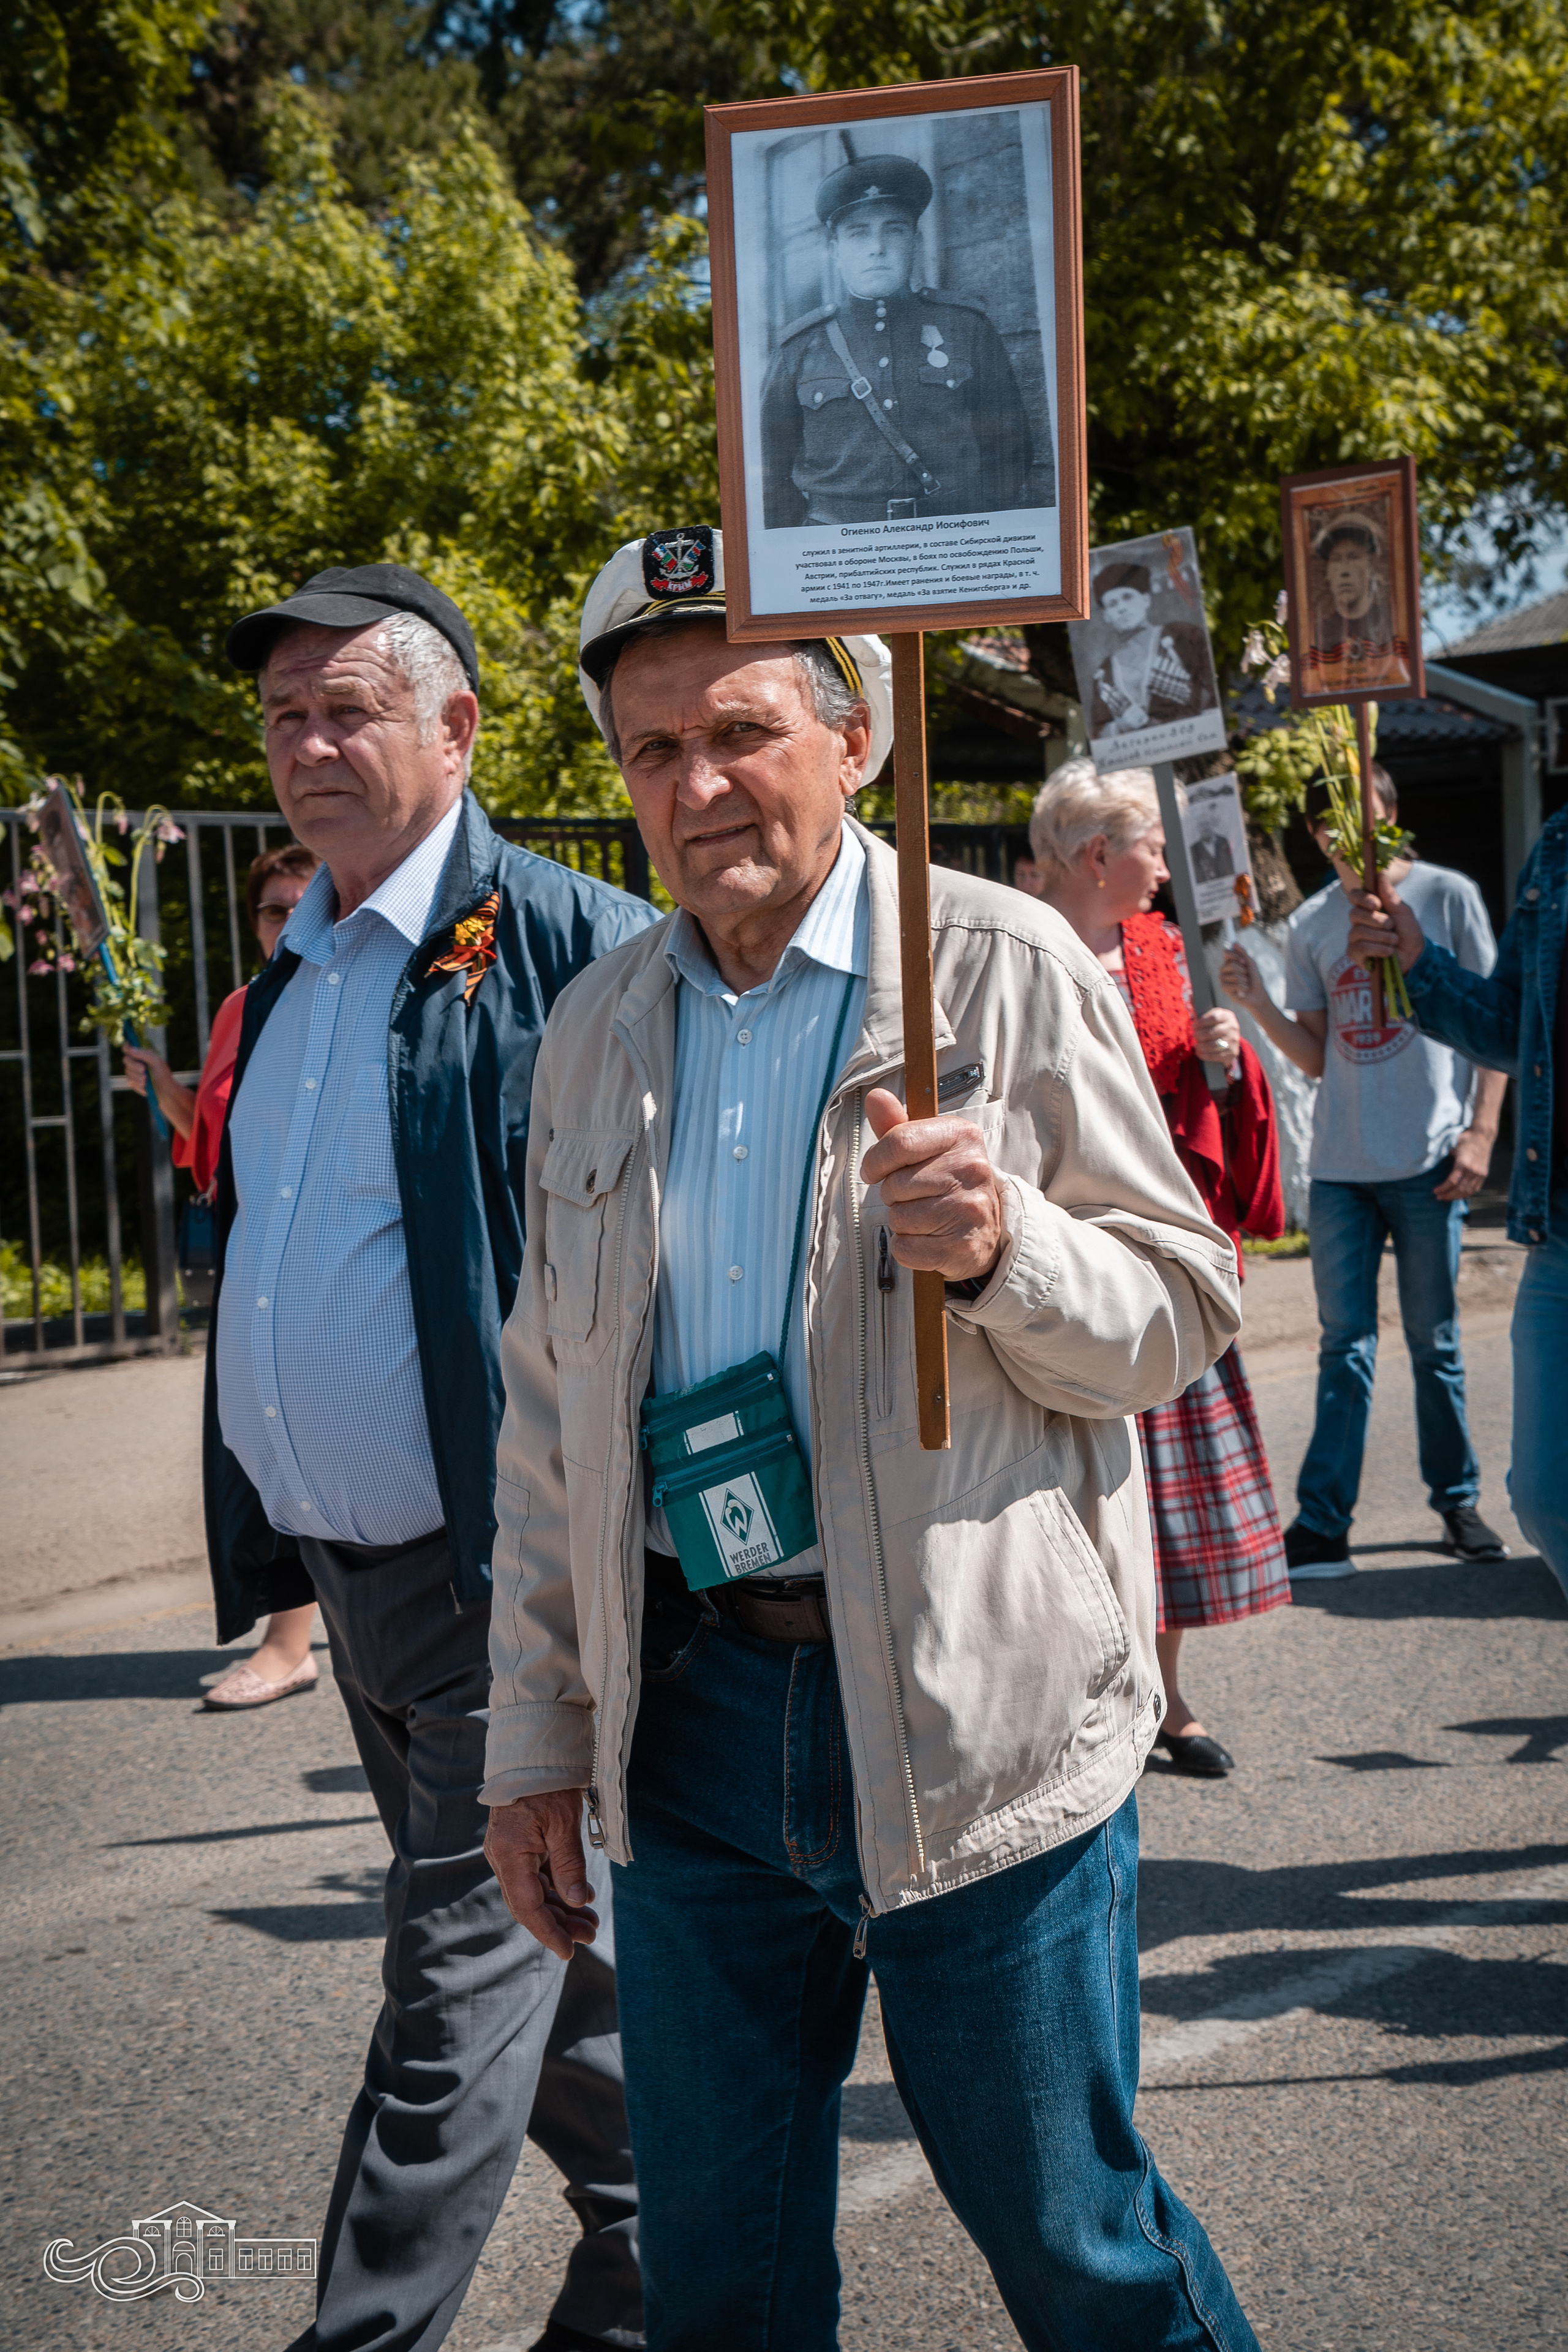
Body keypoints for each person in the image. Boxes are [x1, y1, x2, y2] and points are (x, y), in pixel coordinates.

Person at [483, 524, 1259, 2351]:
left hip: (970, 1718)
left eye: (741, 729)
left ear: (857, 738)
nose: (696, 784)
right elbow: (546, 1414)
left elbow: (1179, 1308)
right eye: (651, 747)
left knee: (1083, 2255)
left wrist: (1004, 1247)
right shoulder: (596, 1026)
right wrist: (538, 1723)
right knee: (726, 2277)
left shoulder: (990, 965)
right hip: (689, 1726)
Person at [209, 562, 657, 2352]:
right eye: (283, 715)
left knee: (447, 1997)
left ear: (456, 726)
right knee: (557, 1964)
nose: (307, 743)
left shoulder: (561, 941)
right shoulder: (301, 955)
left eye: (346, 708)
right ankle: (660, 2245)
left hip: (505, 1585)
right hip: (353, 1581)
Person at [1032, 760, 1291, 1778]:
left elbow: (1219, 1110)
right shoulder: (1014, 942)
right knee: (1058, 1498)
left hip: (1153, 1259)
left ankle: (1165, 1701)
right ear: (1100, 853)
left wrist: (1228, 1053)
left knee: (1166, 1499)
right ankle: (1076, 1698)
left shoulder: (1169, 953)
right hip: (1051, 1256)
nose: (1163, 866)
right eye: (1149, 844)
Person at [1221, 764, 1509, 1578]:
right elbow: (1319, 1058)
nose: (1348, 840)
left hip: (1427, 1158)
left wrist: (1482, 1131)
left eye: (1365, 821)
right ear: (1317, 838)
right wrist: (1259, 1007)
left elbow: (1494, 1023)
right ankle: (1322, 1523)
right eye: (1330, 830)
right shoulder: (1313, 922)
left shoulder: (1446, 896)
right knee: (1342, 1345)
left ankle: (1457, 1502)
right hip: (1345, 1168)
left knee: (1436, 1342)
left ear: (1391, 816)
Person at [1346, 804, 1568, 1598]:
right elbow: (1517, 1027)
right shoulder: (1558, 844)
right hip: (1561, 1233)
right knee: (1546, 1500)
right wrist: (1419, 962)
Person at [126, 841, 323, 1710]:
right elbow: (217, 1151)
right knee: (258, 1451)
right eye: (271, 909)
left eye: (300, 903)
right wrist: (168, 1090)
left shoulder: (343, 997)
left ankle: (290, 1646)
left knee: (301, 1451)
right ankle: (300, 1635)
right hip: (253, 1263)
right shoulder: (242, 1009)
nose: (285, 921)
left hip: (321, 1263)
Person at [760, 154, 1034, 526]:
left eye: (894, 230)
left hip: (949, 541)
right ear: (835, 250)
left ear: (916, 242)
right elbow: (771, 475)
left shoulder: (967, 329)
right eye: (858, 233)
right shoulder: (798, 349)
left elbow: (1010, 451)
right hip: (837, 551)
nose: (878, 247)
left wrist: (974, 531)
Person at [1087, 562, 1217, 744]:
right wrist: (1123, 725)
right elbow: (1099, 731)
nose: (1122, 608)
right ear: (1107, 616)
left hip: (1191, 742)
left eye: (1128, 597)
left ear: (1146, 600)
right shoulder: (1104, 673)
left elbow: (1210, 691)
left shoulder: (1182, 635)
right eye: (1113, 604)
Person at [1305, 511, 1411, 695]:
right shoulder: (1318, 635)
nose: (1344, 572)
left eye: (1354, 557)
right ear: (1328, 574)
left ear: (1371, 565)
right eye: (1336, 560)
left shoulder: (1393, 626)